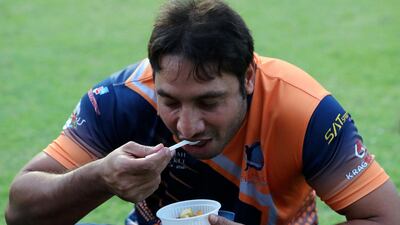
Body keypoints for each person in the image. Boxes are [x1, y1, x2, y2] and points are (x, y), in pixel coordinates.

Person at [5, 0, 400, 224]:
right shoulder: (121, 99)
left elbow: (387, 217)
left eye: (209, 102)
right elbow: (20, 212)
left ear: (248, 78)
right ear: (153, 79)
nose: (186, 126)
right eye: (170, 101)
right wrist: (99, 177)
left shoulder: (304, 111)